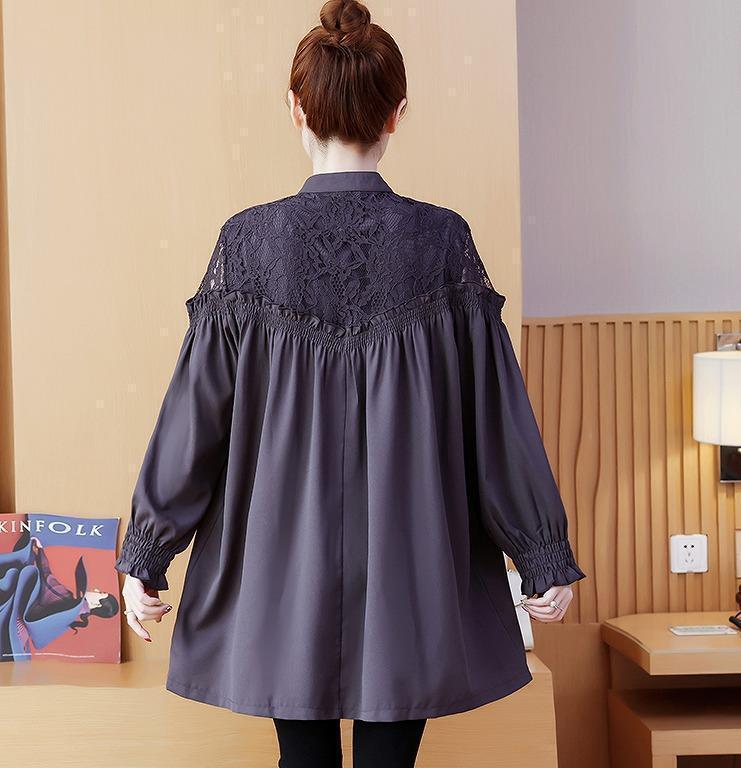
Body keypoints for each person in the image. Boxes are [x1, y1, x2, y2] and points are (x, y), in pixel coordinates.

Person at [114, 0, 587, 765]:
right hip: (412, 561)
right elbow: (495, 418)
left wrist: (147, 550)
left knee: (300, 758)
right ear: (397, 113)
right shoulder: (442, 243)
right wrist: (540, 553)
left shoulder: (247, 244)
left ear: (295, 108)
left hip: (277, 564)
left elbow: (195, 417)